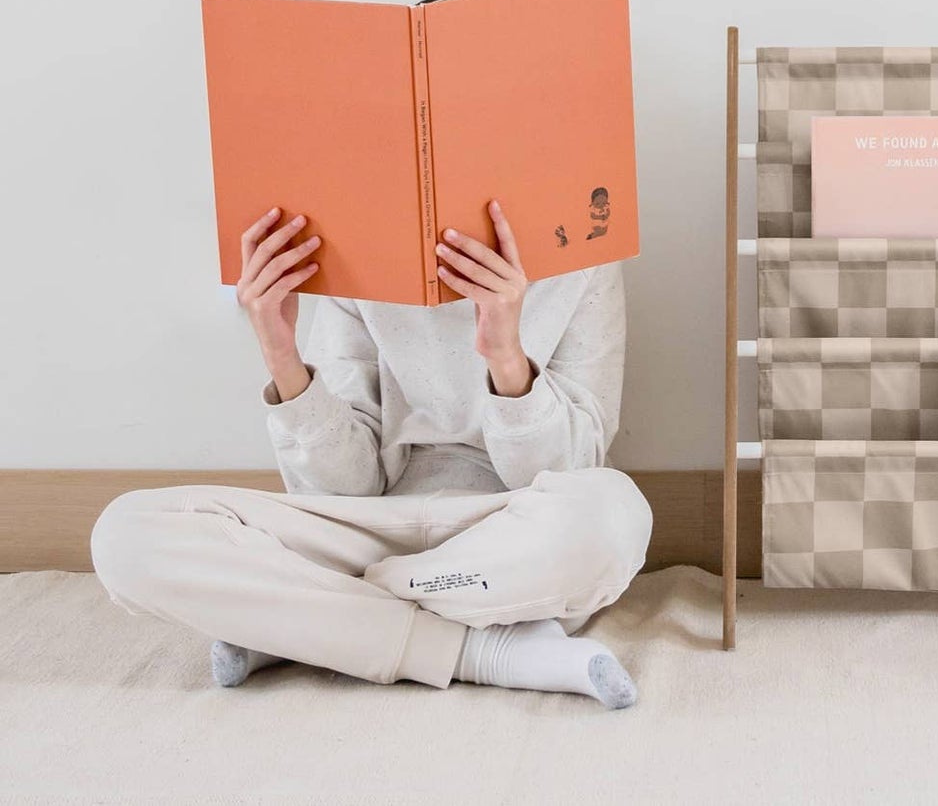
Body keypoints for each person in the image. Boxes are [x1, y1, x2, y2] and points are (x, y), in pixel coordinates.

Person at [90, 191, 653, 708]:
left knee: (614, 514)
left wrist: (507, 358)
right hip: (370, 527)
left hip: (507, 537)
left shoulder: (589, 245)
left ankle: (311, 621)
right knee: (125, 535)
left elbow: (569, 472)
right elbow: (342, 488)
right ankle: (487, 652)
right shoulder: (359, 241)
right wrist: (282, 357)